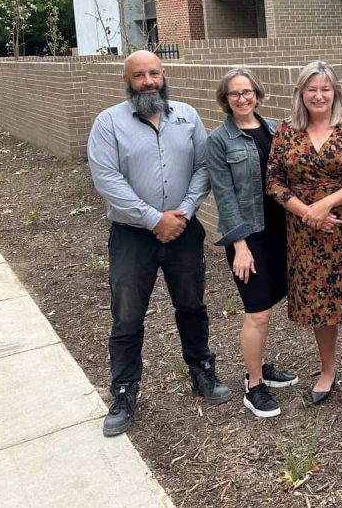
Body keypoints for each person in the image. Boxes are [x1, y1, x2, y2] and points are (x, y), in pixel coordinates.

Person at [88, 50, 232, 438]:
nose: (148, 81)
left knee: (192, 305)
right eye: (139, 75)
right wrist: (154, 219)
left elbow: (205, 167)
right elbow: (106, 179)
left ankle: (202, 373)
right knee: (128, 316)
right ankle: (123, 392)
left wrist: (182, 213)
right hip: (133, 237)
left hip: (183, 231)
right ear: (127, 79)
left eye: (154, 73)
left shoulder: (186, 116)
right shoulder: (109, 123)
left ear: (163, 74)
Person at [266, 61, 342, 425]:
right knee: (319, 303)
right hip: (305, 233)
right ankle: (328, 370)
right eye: (312, 89)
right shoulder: (286, 131)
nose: (319, 95)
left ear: (335, 93)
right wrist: (306, 212)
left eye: (326, 89)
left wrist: (325, 204)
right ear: (301, 92)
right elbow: (274, 181)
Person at [205, 67, 301, 419]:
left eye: (247, 92)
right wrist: (240, 246)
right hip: (249, 235)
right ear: (225, 100)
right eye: (235, 94)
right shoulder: (219, 141)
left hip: (283, 231)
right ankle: (254, 384)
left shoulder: (277, 129)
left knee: (268, 307)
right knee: (257, 311)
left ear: (257, 94)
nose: (242, 99)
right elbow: (224, 197)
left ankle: (261, 365)